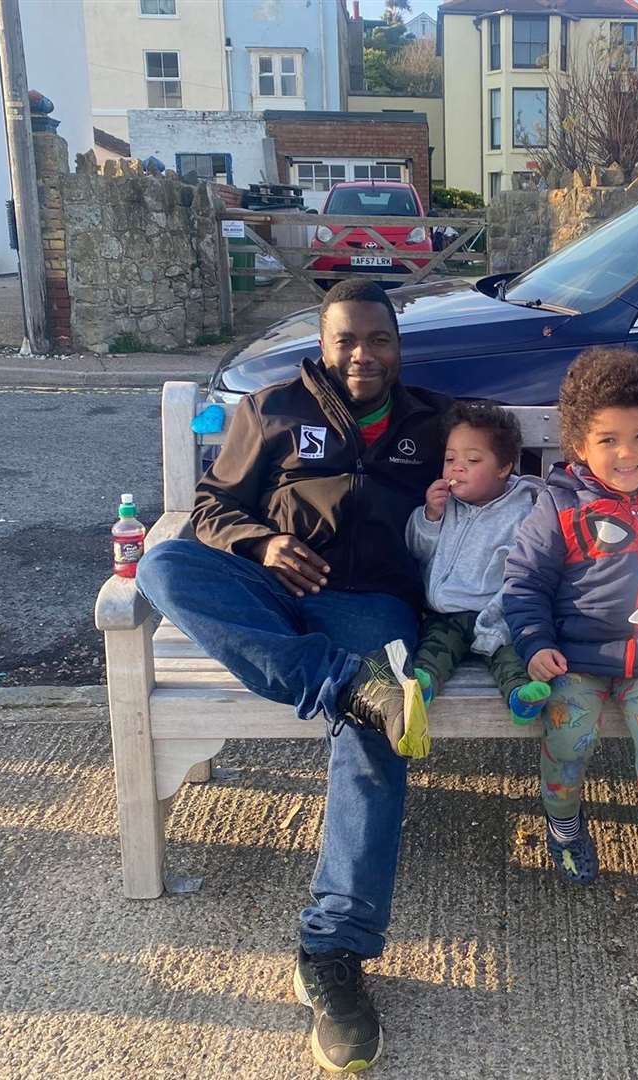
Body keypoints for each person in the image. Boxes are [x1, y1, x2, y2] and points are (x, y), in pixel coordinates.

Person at [135, 278, 450, 1074]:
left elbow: (493, 499)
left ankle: (333, 953)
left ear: (397, 345)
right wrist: (261, 544)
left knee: (383, 723)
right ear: (324, 343)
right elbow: (209, 508)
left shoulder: (429, 423)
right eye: (346, 340)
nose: (362, 356)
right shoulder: (273, 409)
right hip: (274, 587)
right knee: (165, 564)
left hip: (372, 608)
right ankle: (333, 683)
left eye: (377, 340)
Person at [502, 347, 638, 920]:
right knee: (569, 739)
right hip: (577, 660)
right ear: (578, 445)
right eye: (608, 439)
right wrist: (535, 645)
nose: (627, 453)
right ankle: (564, 826)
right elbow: (524, 582)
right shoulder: (559, 504)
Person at [406, 401, 552, 722]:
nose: (457, 468)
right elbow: (418, 550)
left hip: (499, 615)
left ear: (503, 468)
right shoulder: (445, 506)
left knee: (512, 654)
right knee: (434, 649)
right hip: (448, 613)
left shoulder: (524, 509)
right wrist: (430, 517)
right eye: (450, 459)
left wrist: (503, 614)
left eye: (472, 460)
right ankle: (423, 685)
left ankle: (520, 695)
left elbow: (531, 568)